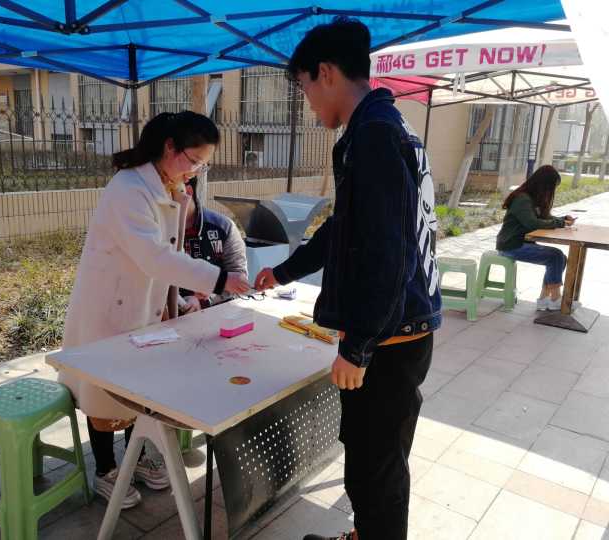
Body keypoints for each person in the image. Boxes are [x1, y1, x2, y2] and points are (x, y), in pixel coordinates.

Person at [253, 17, 442, 540]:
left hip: (389, 338)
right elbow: (347, 228)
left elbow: (389, 251)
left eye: (304, 88)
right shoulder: (384, 126)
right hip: (399, 329)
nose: (309, 104)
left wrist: (357, 347)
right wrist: (284, 271)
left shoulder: (375, 134)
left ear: (326, 72)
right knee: (370, 457)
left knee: (375, 470)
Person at [59, 111, 250, 509]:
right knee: (103, 393)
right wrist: (219, 279)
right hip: (109, 306)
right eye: (194, 161)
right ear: (169, 147)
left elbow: (165, 255)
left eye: (202, 165)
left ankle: (136, 459)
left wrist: (175, 301)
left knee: (138, 389)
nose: (195, 171)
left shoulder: (167, 185)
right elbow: (155, 256)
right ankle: (106, 470)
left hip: (141, 303)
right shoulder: (129, 188)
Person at [496, 164, 574, 311]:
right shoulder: (523, 199)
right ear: (543, 185)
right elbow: (532, 223)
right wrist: (560, 223)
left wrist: (562, 219)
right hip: (510, 246)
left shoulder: (532, 198)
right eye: (551, 188)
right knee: (556, 256)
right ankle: (555, 298)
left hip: (519, 244)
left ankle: (544, 299)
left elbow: (543, 217)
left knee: (560, 258)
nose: (551, 192)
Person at [178, 176, 248, 313]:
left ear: (188, 192)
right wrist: (178, 300)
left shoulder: (224, 226)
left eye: (166, 193)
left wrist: (204, 300)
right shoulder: (156, 229)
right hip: (164, 317)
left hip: (216, 314)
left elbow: (239, 280)